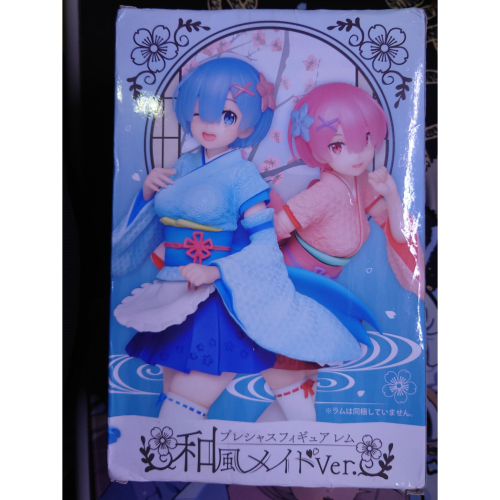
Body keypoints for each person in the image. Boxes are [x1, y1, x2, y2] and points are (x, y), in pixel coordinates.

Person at [111, 60, 377, 422]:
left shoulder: (243, 175)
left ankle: (278, 439)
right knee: (170, 391)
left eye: (228, 116)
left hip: (212, 293)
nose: (210, 125)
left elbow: (265, 242)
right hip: (171, 287)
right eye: (199, 113)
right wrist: (146, 194)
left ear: (248, 123)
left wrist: (218, 270)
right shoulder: (183, 166)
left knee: (186, 400)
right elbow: (140, 240)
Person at [269, 82, 424, 378]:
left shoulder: (361, 181)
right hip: (297, 277)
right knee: (294, 350)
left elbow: (397, 232)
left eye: (365, 139)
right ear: (316, 149)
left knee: (311, 352)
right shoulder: (323, 193)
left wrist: (392, 194)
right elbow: (278, 227)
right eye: (338, 145)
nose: (358, 154)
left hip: (327, 279)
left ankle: (299, 398)